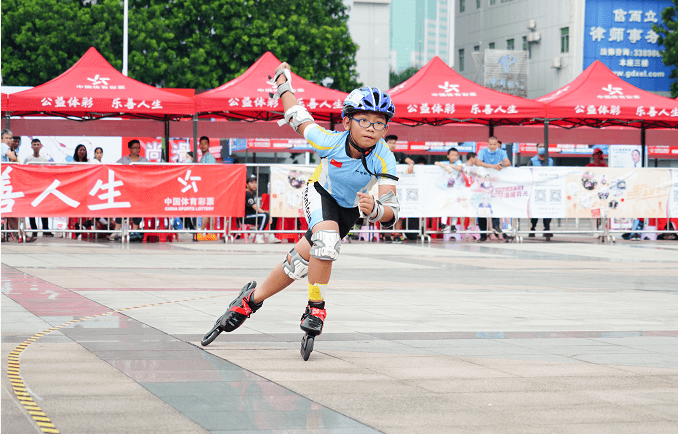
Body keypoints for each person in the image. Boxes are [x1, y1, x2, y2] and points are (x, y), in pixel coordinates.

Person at [209, 62, 400, 346]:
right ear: (347, 121)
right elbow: (295, 114)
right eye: (364, 120)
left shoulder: (384, 157)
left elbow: (391, 214)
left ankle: (250, 300)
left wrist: (374, 209)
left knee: (298, 265)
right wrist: (282, 81)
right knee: (326, 241)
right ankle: (316, 307)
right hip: (320, 192)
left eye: (379, 123)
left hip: (347, 211)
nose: (372, 128)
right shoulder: (328, 141)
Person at [110, 140, 148, 241]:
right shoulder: (123, 160)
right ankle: (117, 230)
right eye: (135, 148)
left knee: (138, 209)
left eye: (139, 147)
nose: (137, 149)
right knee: (121, 207)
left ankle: (134, 232)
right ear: (130, 149)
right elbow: (114, 170)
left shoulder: (145, 161)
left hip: (139, 191)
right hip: (125, 191)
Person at [475, 137, 510, 241]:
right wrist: (492, 166)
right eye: (491, 144)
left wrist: (501, 165)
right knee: (482, 209)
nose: (493, 147)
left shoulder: (502, 152)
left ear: (498, 145)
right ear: (487, 144)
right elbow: (478, 162)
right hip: (483, 185)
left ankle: (496, 226)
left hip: (496, 184)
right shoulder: (482, 151)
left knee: (496, 205)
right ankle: (483, 234)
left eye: (495, 145)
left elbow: (508, 162)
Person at [22, 139, 53, 241]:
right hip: (31, 187)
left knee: (44, 209)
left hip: (42, 187)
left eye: (37, 144)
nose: (36, 146)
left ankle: (45, 229)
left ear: (41, 146)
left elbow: (48, 173)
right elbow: (23, 172)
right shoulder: (27, 159)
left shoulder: (44, 160)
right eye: (34, 144)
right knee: (32, 209)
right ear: (31, 146)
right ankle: (34, 230)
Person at [384, 135, 412, 243]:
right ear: (385, 143)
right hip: (385, 188)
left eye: (394, 143)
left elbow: (410, 161)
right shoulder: (382, 156)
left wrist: (411, 164)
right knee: (385, 211)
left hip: (399, 189)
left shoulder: (400, 155)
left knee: (399, 211)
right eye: (390, 142)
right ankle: (386, 235)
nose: (392, 145)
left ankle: (396, 234)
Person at [244, 174, 281, 244]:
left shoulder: (251, 193)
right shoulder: (247, 193)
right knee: (265, 215)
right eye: (251, 182)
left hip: (253, 215)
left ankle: (271, 235)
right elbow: (255, 207)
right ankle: (258, 236)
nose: (254, 184)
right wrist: (266, 213)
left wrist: (267, 213)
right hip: (247, 217)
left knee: (273, 214)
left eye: (255, 182)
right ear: (247, 184)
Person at [528, 144, 554, 241]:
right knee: (535, 210)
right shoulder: (532, 160)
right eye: (540, 146)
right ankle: (532, 228)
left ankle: (547, 229)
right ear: (537, 148)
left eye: (543, 146)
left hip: (548, 189)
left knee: (548, 210)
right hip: (535, 189)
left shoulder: (550, 161)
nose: (542, 148)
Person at [435, 147, 464, 233]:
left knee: (455, 207)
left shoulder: (459, 162)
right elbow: (436, 163)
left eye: (456, 155)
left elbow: (460, 168)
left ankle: (453, 225)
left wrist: (449, 166)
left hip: (457, 189)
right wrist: (444, 165)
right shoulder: (446, 163)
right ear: (448, 156)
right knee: (446, 206)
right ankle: (443, 224)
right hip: (447, 189)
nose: (454, 157)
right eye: (452, 155)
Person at [199, 136, 217, 235]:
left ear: (209, 145)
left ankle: (203, 233)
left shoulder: (209, 158)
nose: (203, 145)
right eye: (201, 143)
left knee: (208, 210)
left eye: (205, 143)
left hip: (209, 187)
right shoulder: (204, 157)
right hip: (206, 186)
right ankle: (210, 233)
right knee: (210, 211)